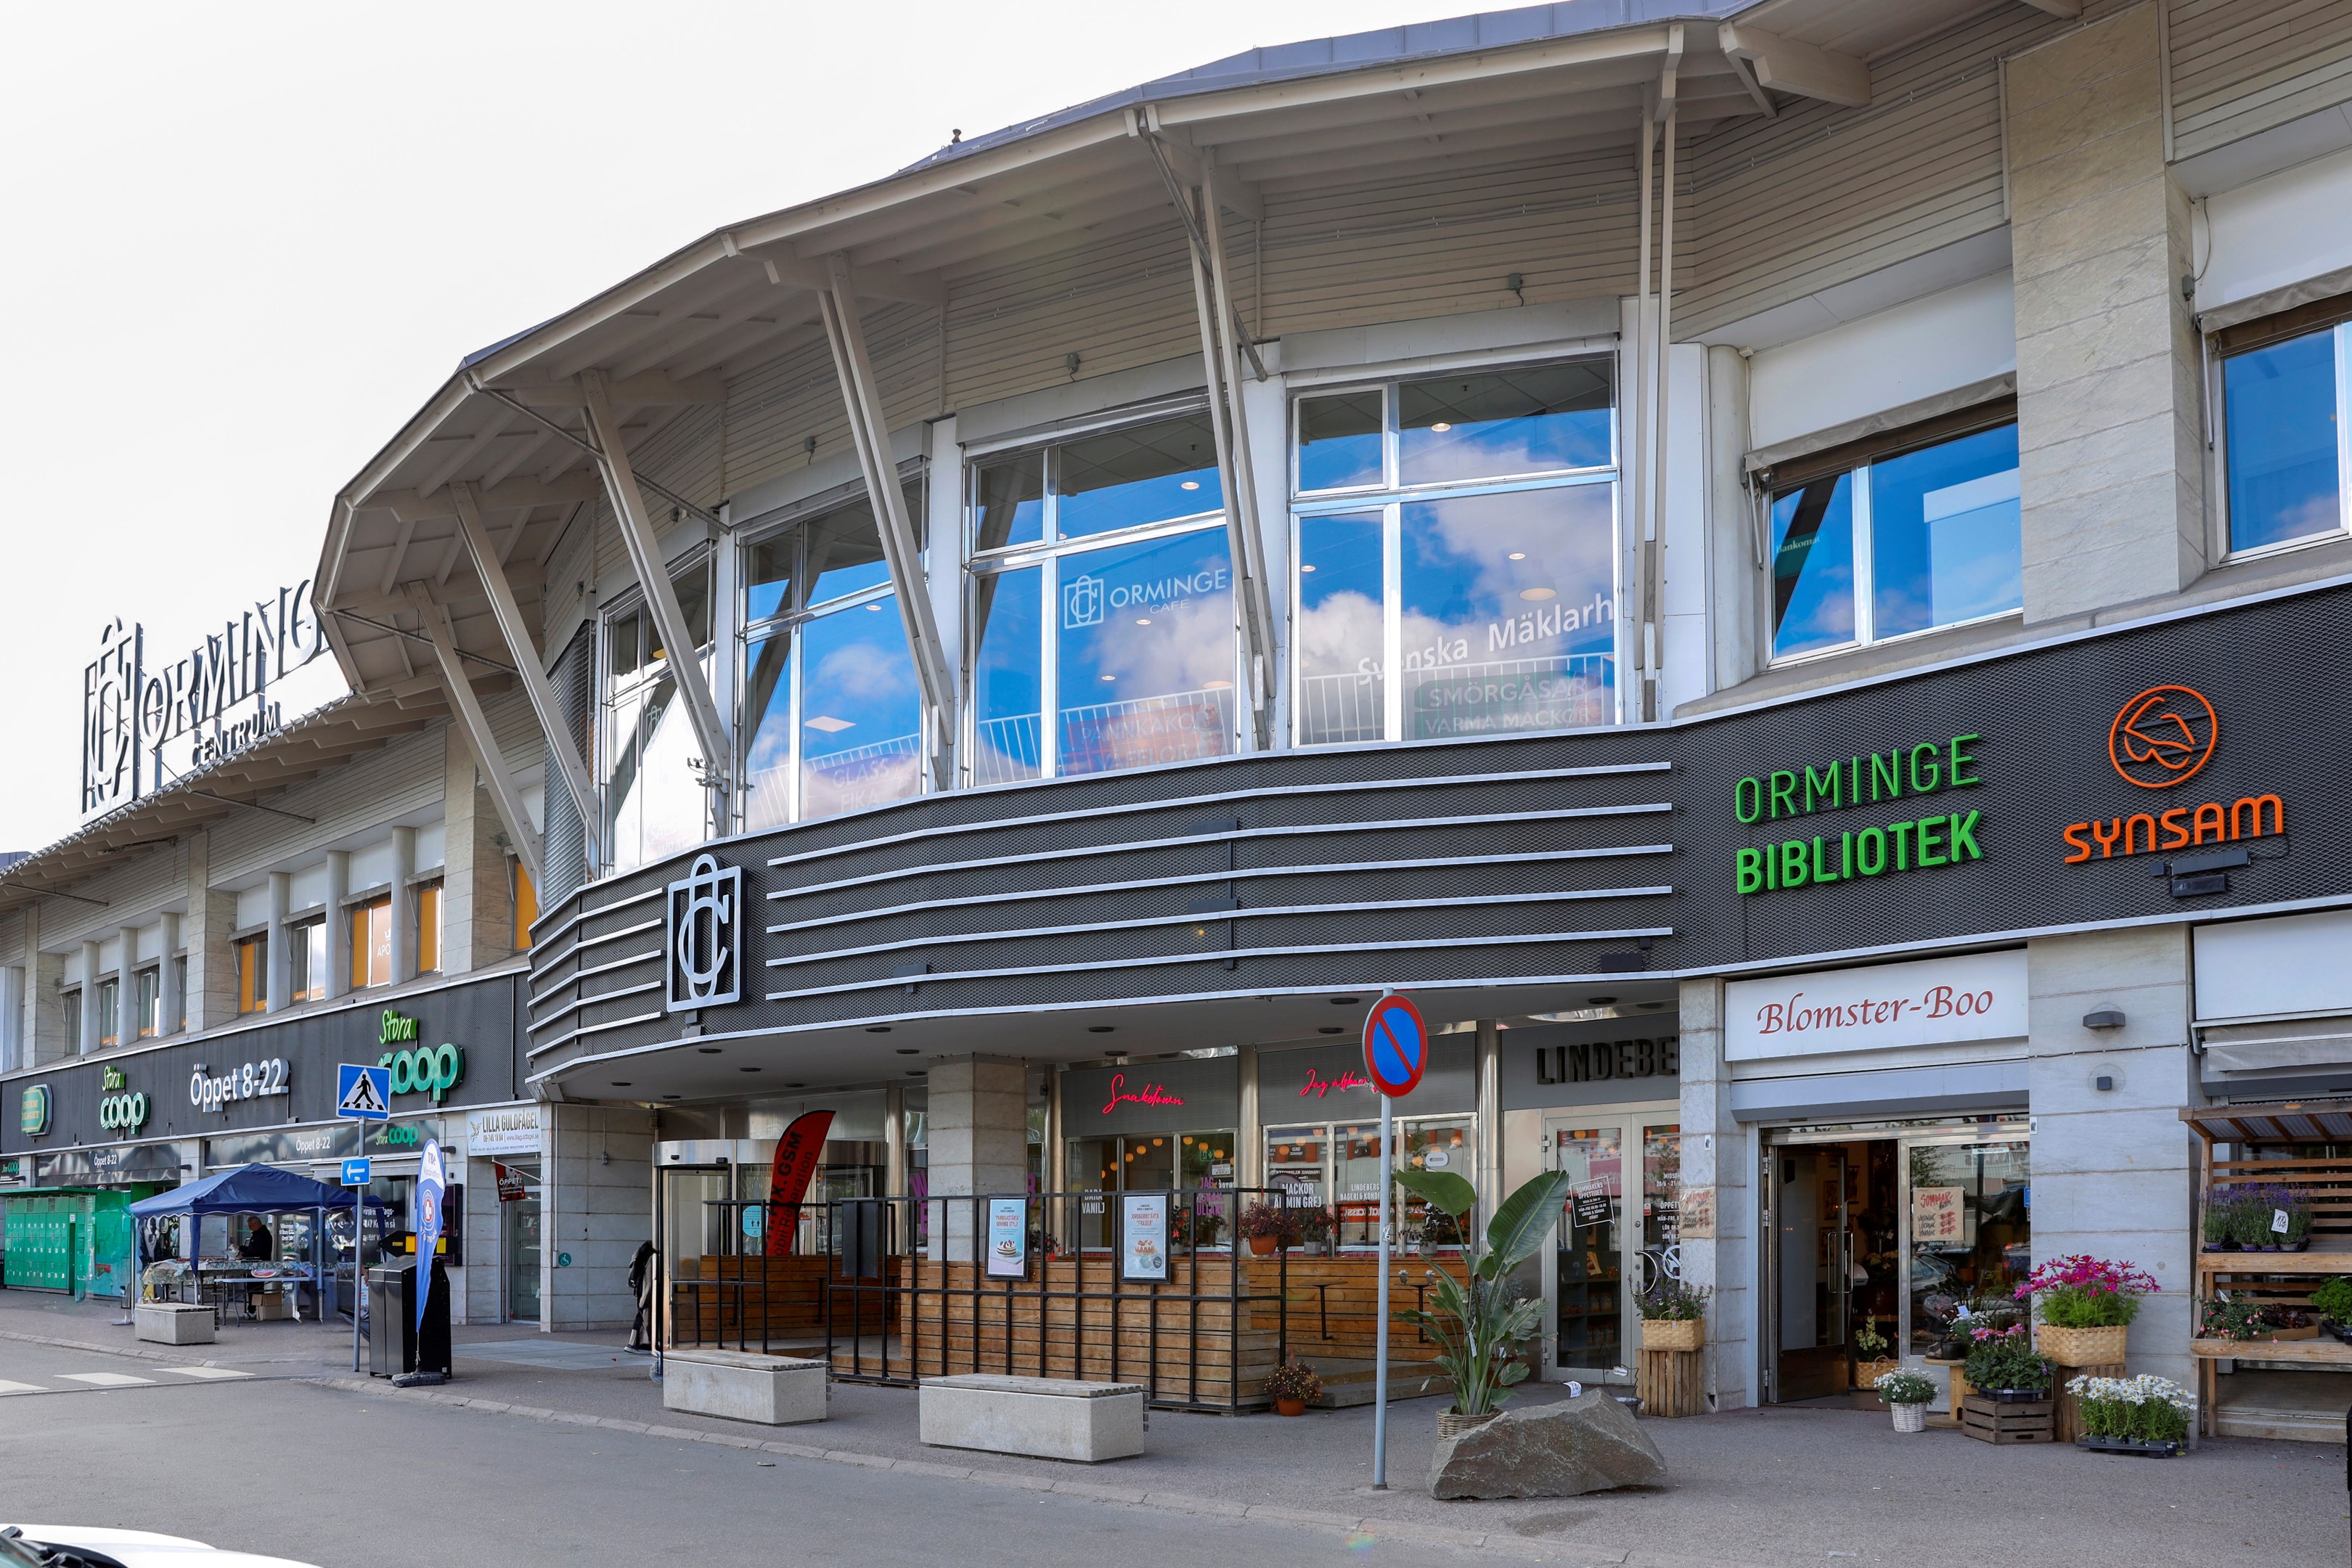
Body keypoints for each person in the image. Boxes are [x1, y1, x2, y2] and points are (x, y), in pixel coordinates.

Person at [626, 1240, 657, 1352]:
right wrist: (645, 1298)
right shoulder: (652, 1258)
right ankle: (635, 1344)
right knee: (644, 1316)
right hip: (646, 1291)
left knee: (642, 1315)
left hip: (639, 1289)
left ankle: (636, 1343)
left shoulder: (639, 1255)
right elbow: (649, 1281)